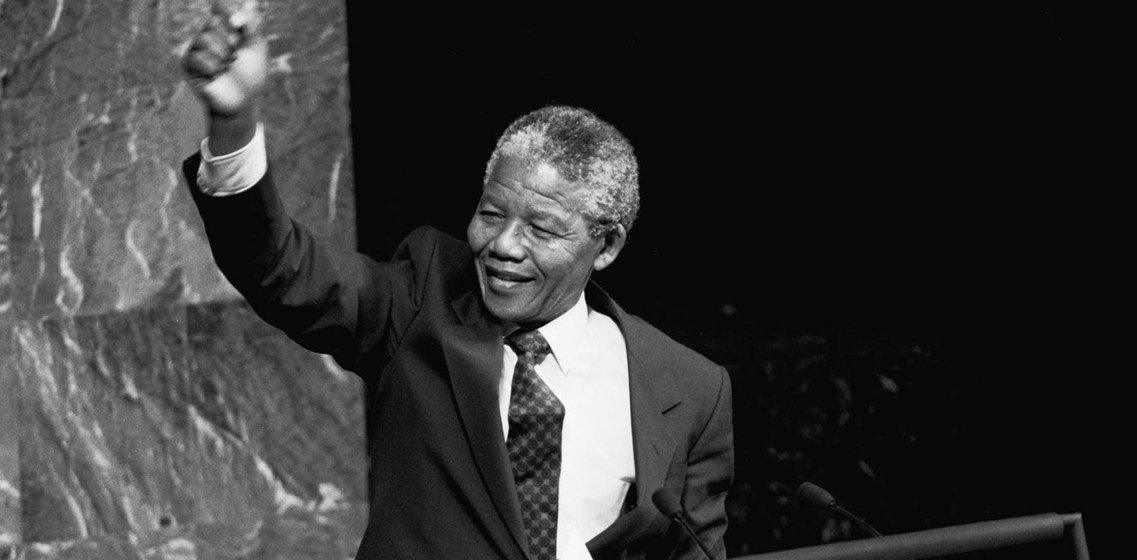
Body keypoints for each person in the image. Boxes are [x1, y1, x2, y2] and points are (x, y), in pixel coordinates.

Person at [181, 7, 733, 560]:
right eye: (492, 214)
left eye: (541, 228)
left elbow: (694, 551)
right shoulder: (422, 298)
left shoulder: (687, 389)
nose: (504, 245)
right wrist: (234, 123)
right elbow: (283, 270)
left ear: (606, 246)